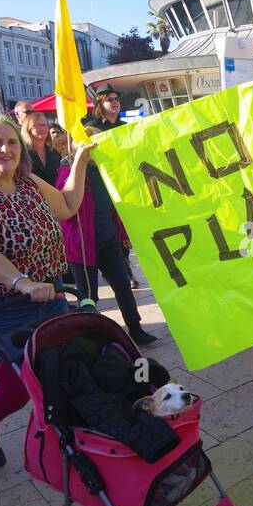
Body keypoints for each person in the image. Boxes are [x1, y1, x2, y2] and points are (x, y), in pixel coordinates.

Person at [0, 112, 93, 467]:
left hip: (48, 297)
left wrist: (80, 160)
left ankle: (72, 446)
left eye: (12, 141)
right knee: (17, 389)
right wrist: (22, 283)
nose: (5, 149)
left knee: (62, 374)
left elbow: (67, 205)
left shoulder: (28, 181)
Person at [82, 86, 156, 346]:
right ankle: (94, 339)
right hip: (89, 226)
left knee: (122, 283)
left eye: (116, 99)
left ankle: (135, 328)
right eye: (109, 100)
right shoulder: (87, 128)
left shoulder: (125, 127)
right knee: (89, 294)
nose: (114, 103)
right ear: (99, 104)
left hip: (117, 208)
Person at [20, 111, 62, 186]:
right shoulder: (21, 153)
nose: (42, 128)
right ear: (28, 128)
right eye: (38, 125)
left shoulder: (54, 153)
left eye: (44, 125)